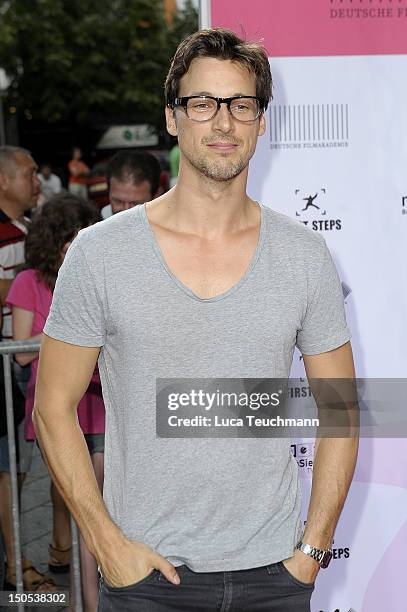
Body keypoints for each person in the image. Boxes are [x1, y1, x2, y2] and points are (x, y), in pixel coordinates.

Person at [34, 28, 358, 612]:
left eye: (241, 104)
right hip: (146, 576)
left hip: (275, 576)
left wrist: (312, 550)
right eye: (202, 103)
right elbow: (51, 408)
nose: (224, 122)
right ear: (172, 117)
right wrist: (109, 546)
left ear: (262, 120)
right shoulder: (99, 253)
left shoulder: (304, 255)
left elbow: (340, 406)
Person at [6, 194, 105, 608]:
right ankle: (78, 583)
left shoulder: (98, 276)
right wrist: (74, 341)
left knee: (94, 499)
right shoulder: (29, 282)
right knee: (72, 495)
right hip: (56, 406)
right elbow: (22, 350)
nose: (76, 248)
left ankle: (89, 595)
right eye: (68, 241)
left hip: (100, 404)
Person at [0, 146, 53, 592]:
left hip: (19, 366)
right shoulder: (4, 234)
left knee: (17, 467)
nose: (37, 181)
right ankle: (16, 565)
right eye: (30, 174)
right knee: (9, 467)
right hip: (9, 365)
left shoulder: (23, 228)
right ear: (4, 181)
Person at [100, 150, 162, 218]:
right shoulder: (102, 219)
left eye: (135, 203)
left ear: (157, 196)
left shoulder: (171, 224)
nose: (126, 211)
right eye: (118, 201)